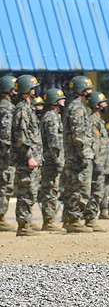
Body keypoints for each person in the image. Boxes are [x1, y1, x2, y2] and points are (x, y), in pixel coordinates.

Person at [62, 75, 95, 233]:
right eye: (87, 89)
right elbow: (78, 135)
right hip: (78, 157)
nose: (90, 92)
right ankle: (73, 220)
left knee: (74, 188)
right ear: (80, 90)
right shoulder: (77, 108)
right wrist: (85, 154)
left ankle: (71, 219)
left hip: (76, 156)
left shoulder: (78, 106)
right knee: (79, 188)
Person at [10, 75, 42, 236]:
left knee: (31, 191)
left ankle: (27, 222)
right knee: (25, 191)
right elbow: (21, 136)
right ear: (26, 89)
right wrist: (30, 156)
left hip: (32, 157)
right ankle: (23, 226)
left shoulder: (28, 108)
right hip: (26, 159)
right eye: (32, 88)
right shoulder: (22, 109)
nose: (35, 90)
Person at [83, 91, 109, 232]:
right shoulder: (93, 120)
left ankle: (92, 217)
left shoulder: (99, 121)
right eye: (103, 103)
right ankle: (90, 218)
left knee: (99, 192)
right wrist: (98, 163)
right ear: (96, 105)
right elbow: (95, 144)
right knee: (95, 191)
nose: (105, 105)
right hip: (97, 163)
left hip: (103, 164)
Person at [39, 88, 65, 232]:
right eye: (61, 99)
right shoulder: (51, 117)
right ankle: (48, 221)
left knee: (53, 189)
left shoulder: (54, 116)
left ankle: (50, 219)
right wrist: (59, 160)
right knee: (50, 190)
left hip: (52, 160)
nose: (64, 102)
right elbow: (54, 142)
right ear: (54, 101)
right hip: (51, 161)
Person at [0, 75, 17, 231]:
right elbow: (5, 134)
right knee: (5, 185)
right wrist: (9, 154)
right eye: (14, 89)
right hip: (5, 156)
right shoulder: (6, 107)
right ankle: (0, 217)